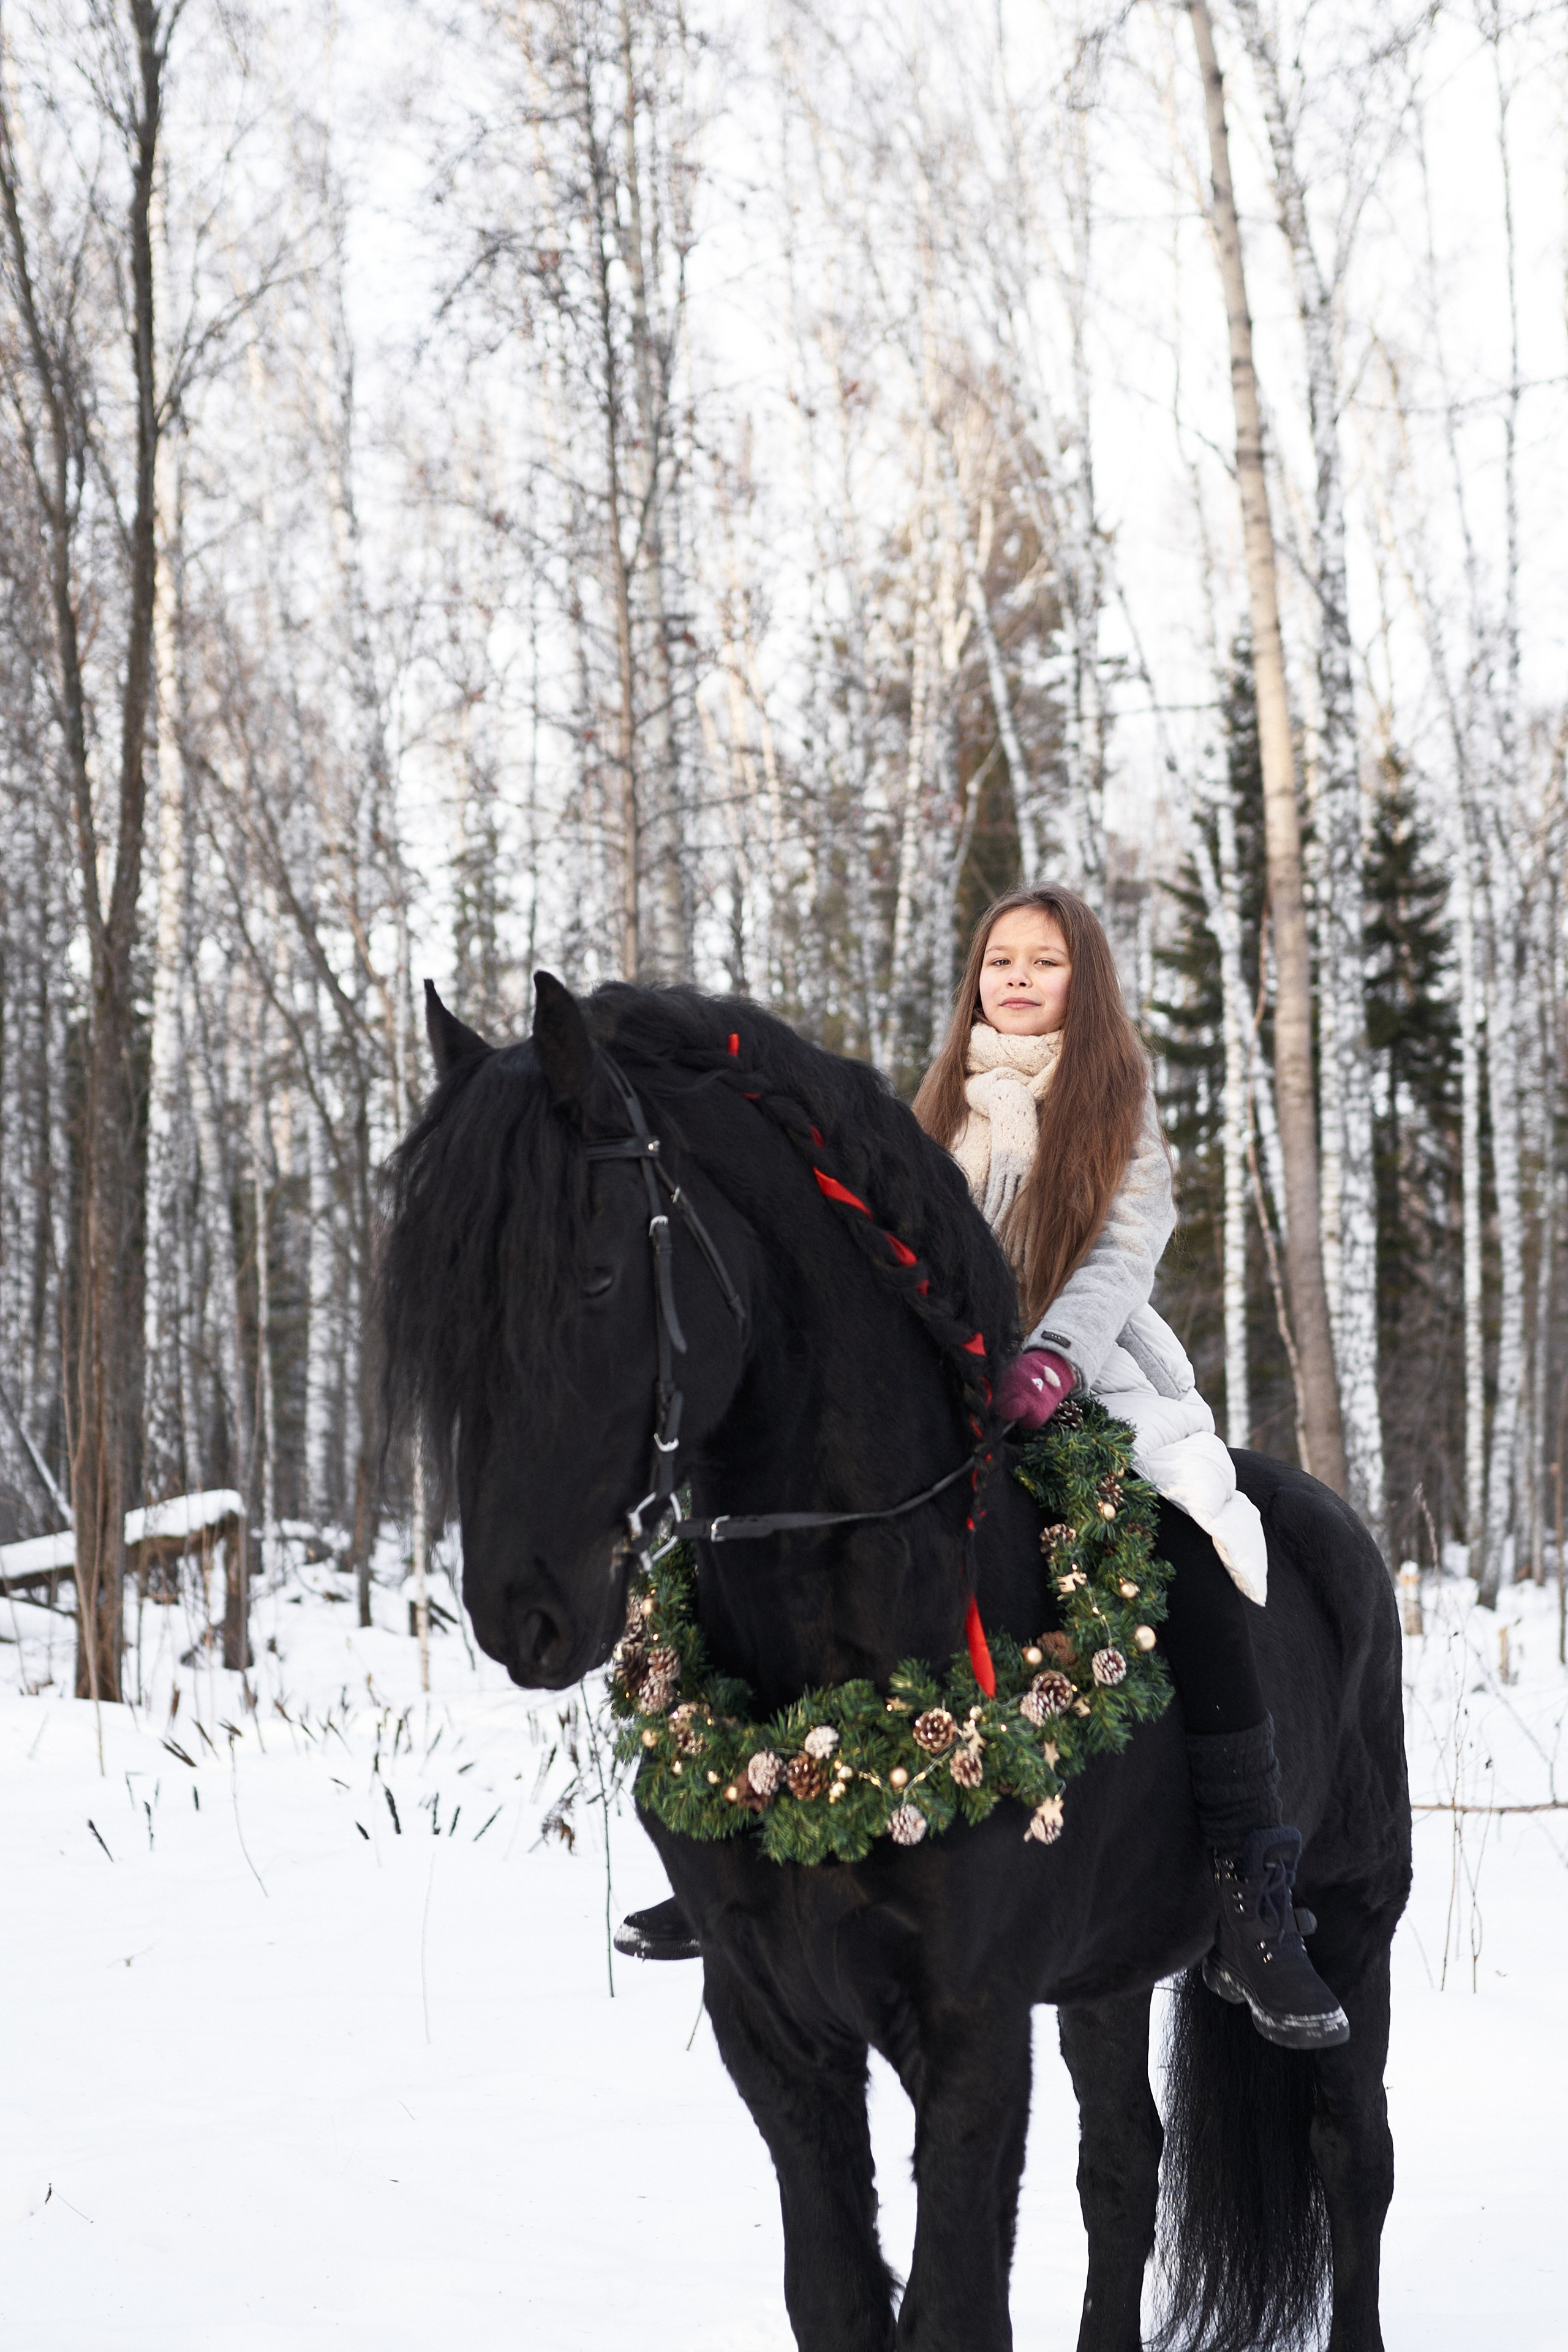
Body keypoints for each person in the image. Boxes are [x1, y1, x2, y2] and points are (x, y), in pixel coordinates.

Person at [907, 886, 1346, 2049]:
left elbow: (1119, 1250)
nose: (1013, 976)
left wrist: (1050, 1357)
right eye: (998, 958)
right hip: (942, 1397)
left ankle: (1255, 1896)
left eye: (1041, 962)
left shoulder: (1114, 1100)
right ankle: (768, 1829)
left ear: (1079, 981)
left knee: (1188, 1569)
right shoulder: (938, 1108)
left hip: (1085, 1385)